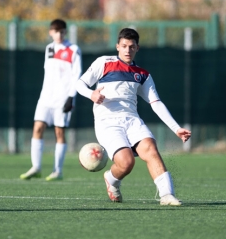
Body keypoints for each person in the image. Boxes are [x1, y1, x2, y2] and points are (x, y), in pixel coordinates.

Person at [75, 28, 191, 206]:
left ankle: (167, 195)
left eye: (131, 46)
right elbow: (79, 83)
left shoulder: (143, 75)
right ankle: (111, 179)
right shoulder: (104, 63)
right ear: (117, 47)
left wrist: (176, 128)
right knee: (127, 162)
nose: (127, 50)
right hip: (107, 122)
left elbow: (156, 103)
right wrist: (91, 94)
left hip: (132, 120)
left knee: (151, 149)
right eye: (124, 46)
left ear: (138, 48)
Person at [20, 19, 82, 181]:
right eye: (56, 31)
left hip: (63, 98)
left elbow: (77, 75)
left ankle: (57, 171)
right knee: (38, 128)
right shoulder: (49, 49)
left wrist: (71, 97)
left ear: (65, 32)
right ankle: (36, 167)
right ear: (51, 32)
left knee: (59, 132)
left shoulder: (73, 50)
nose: (59, 34)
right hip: (46, 97)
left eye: (62, 31)